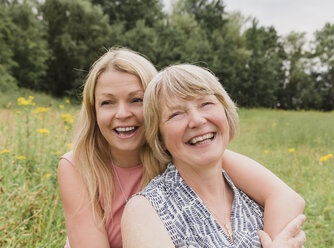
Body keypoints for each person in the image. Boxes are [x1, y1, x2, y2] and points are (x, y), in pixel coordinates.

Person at [58, 48, 305, 248]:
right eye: (107, 102)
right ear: (94, 111)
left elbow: (285, 197)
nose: (123, 114)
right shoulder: (78, 167)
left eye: (136, 100)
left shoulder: (192, 152)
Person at [121, 64, 306, 247]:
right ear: (160, 138)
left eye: (206, 104)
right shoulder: (146, 210)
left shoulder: (252, 195)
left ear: (225, 112)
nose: (197, 120)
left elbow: (290, 200)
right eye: (176, 114)